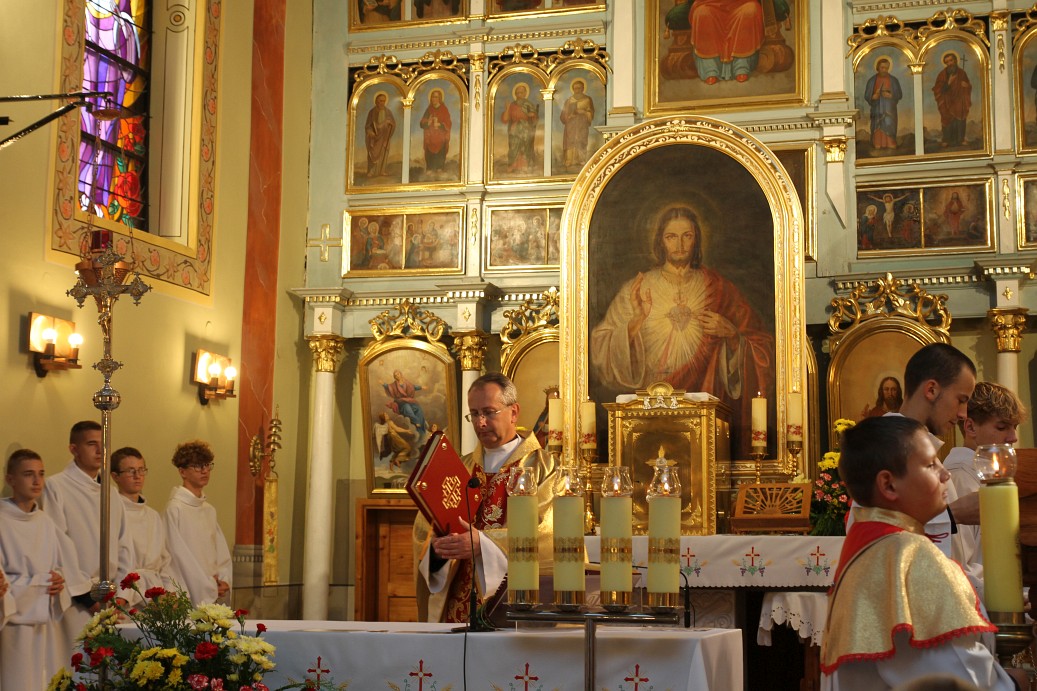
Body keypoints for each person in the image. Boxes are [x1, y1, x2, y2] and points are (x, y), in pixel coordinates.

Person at [820, 416, 1023, 690]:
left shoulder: (866, 549)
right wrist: (1012, 683)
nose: (945, 474)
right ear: (888, 485)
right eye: (930, 464)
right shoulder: (909, 557)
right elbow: (958, 676)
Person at [590, 205, 773, 456]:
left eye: (687, 236)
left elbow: (762, 347)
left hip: (704, 420)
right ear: (660, 241)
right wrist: (635, 322)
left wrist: (732, 336)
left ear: (696, 239)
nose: (679, 244)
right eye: (671, 237)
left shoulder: (719, 288)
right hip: (648, 417)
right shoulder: (638, 288)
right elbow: (600, 348)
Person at [412, 373, 557, 623]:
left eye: (489, 412)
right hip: (457, 608)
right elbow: (424, 530)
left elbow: (549, 534)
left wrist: (484, 544)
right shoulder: (458, 467)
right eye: (474, 414)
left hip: (514, 607)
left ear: (514, 412)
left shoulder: (544, 468)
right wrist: (438, 550)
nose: (480, 423)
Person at [847, 343, 977, 558]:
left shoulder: (925, 453)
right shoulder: (882, 448)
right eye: (961, 400)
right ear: (931, 390)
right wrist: (953, 514)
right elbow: (876, 538)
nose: (963, 414)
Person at [40, 420, 130, 651]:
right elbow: (58, 543)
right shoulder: (56, 486)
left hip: (111, 600)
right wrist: (89, 598)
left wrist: (121, 595)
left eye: (104, 444)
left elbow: (124, 545)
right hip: (77, 599)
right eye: (92, 444)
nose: (100, 450)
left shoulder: (111, 493)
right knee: (78, 664)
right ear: (74, 449)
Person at [0, 449, 82, 691]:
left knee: (41, 679)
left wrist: (58, 581)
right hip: (11, 623)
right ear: (10, 479)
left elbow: (57, 567)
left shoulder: (45, 521)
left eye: (41, 474)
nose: (37, 481)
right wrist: (37, 586)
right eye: (28, 474)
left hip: (43, 624)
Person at [944, 382, 1026, 599]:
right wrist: (1012, 594)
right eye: (1002, 427)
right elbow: (958, 566)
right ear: (970, 427)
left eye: (1014, 427)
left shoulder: (983, 475)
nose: (1013, 437)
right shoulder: (958, 478)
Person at [164, 441, 232, 605]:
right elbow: (178, 557)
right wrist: (207, 586)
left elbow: (220, 551)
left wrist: (224, 579)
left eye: (207, 465)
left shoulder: (209, 510)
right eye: (197, 466)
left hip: (213, 587)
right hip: (190, 590)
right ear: (182, 471)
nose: (205, 470)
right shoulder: (175, 509)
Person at [110, 447, 179, 605]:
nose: (138, 476)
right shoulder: (112, 513)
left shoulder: (153, 515)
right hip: (126, 593)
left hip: (155, 593)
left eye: (141, 470)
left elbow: (164, 561)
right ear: (115, 476)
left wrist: (170, 591)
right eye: (131, 471)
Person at [689, 0, 765, 84]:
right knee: (702, 13)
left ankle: (741, 66)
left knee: (749, 11)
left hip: (741, 3)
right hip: (710, 3)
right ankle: (710, 69)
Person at [932, 51, 972, 148]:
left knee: (960, 118)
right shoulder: (942, 74)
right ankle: (946, 139)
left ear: (955, 60)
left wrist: (966, 86)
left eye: (951, 60)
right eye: (947, 62)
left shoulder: (962, 73)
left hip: (959, 100)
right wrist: (948, 82)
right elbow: (938, 89)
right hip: (946, 101)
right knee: (947, 119)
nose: (949, 63)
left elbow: (968, 86)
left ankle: (961, 139)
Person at [864, 57, 903, 151]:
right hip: (877, 109)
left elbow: (899, 94)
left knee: (889, 123)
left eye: (886, 68)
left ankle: (890, 142)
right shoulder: (872, 81)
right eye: (882, 68)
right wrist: (874, 96)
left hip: (890, 110)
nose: (884, 70)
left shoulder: (893, 80)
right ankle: (877, 143)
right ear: (878, 67)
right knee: (877, 125)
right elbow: (867, 95)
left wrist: (891, 95)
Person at [501, 82, 539, 173]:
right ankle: (513, 165)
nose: (519, 95)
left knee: (525, 147)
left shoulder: (528, 104)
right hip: (514, 130)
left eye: (521, 93)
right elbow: (505, 119)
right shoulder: (512, 105)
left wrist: (532, 115)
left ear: (525, 93)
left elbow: (535, 118)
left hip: (526, 129)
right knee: (514, 147)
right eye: (517, 93)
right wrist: (507, 108)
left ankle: (525, 166)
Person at [559, 78, 595, 171]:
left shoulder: (587, 99)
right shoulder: (569, 101)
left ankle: (581, 160)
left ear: (583, 88)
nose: (577, 90)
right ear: (573, 89)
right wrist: (569, 116)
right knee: (570, 141)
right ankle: (569, 160)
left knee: (581, 140)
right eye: (575, 88)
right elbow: (563, 115)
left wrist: (584, 112)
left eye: (579, 88)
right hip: (571, 125)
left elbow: (591, 112)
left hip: (582, 124)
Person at [384, 369, 427, 441]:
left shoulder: (406, 382)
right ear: (394, 377)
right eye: (395, 375)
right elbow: (388, 387)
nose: (397, 376)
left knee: (418, 409)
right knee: (407, 408)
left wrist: (421, 387)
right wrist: (383, 384)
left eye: (398, 374)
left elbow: (413, 387)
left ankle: (421, 430)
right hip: (400, 403)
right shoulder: (394, 385)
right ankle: (416, 421)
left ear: (401, 374)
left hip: (408, 401)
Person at [419, 88, 451, 174]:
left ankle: (440, 168)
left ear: (439, 98)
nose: (434, 99)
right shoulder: (429, 110)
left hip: (440, 138)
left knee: (441, 152)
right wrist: (428, 122)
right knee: (429, 153)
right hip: (430, 137)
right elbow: (422, 123)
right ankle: (430, 168)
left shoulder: (444, 109)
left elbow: (448, 123)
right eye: (433, 97)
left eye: (436, 97)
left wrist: (440, 125)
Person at [364, 91, 396, 178]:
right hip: (375, 137)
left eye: (383, 101)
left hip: (385, 137)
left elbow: (393, 124)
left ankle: (382, 170)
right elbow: (368, 126)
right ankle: (372, 171)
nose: (382, 103)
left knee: (383, 153)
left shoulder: (388, 112)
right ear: (376, 101)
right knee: (373, 153)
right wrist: (370, 132)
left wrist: (391, 124)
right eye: (380, 101)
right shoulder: (372, 112)